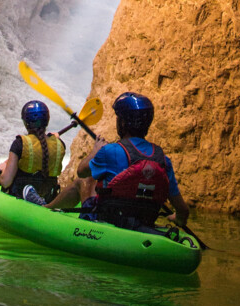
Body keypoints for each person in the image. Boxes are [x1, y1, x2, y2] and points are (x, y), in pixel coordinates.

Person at [24, 92, 190, 231]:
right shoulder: (162, 159)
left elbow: (81, 171)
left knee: (85, 179)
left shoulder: (111, 151)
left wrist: (96, 151)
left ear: (122, 123)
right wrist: (177, 219)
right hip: (145, 221)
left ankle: (47, 208)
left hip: (110, 221)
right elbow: (183, 210)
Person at [0, 100, 66, 201]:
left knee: (4, 166)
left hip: (19, 194)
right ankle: (40, 200)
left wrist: (2, 169)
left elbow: (6, 182)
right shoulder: (59, 144)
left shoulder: (19, 143)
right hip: (48, 195)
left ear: (25, 122)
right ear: (47, 121)